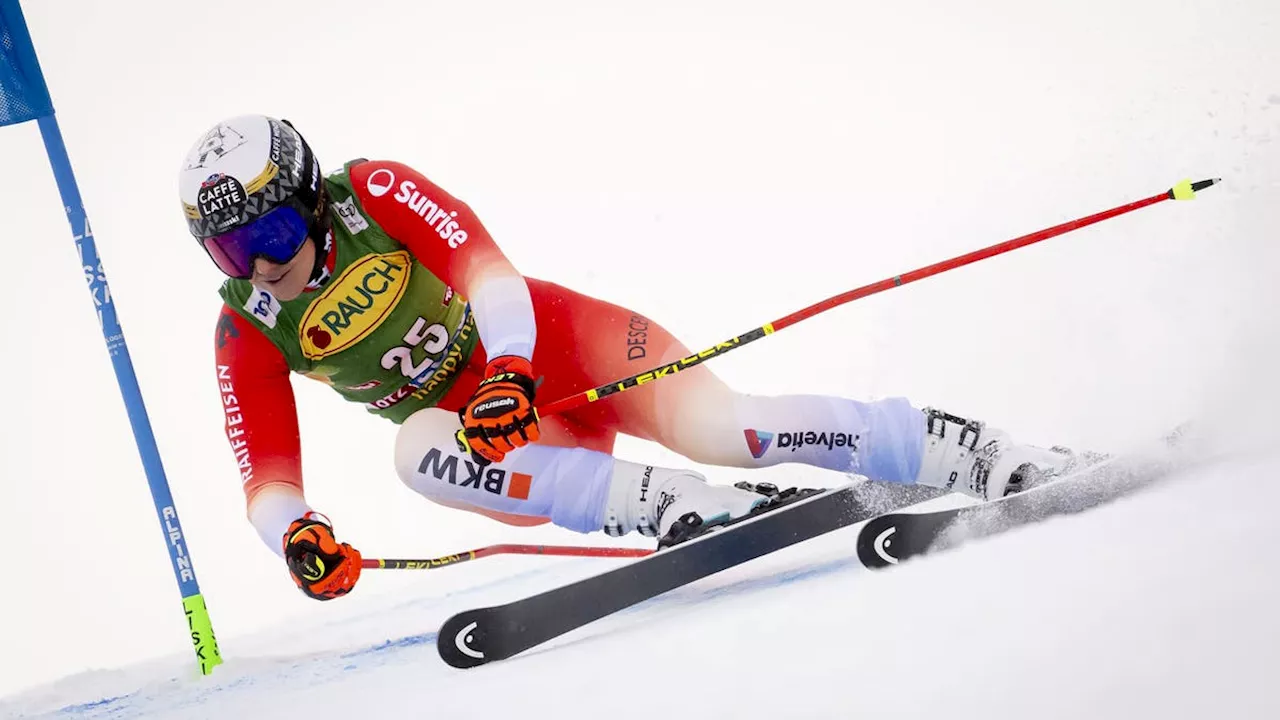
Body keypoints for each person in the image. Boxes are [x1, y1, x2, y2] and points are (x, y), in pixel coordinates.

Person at [181, 115, 1072, 601]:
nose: (263, 264)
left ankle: (975, 451)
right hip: (515, 449)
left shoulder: (373, 191)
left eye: (272, 230)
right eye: (231, 252)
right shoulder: (249, 323)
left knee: (735, 430)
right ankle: (676, 508)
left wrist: (510, 372)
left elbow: (488, 271)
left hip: (566, 352)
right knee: (415, 448)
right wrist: (295, 537)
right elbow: (264, 476)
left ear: (307, 198)